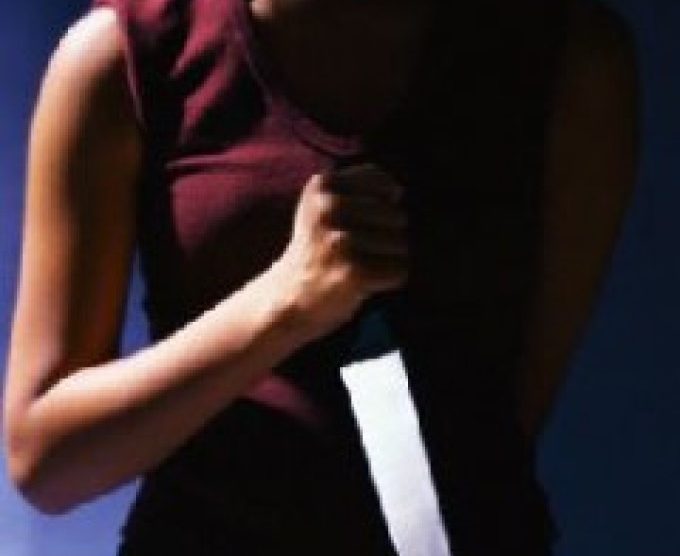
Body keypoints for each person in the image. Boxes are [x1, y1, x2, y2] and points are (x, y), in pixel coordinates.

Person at [2, 0, 637, 554]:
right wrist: (285, 304)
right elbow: (46, 459)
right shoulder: (123, 55)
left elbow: (509, 422)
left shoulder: (571, 61)